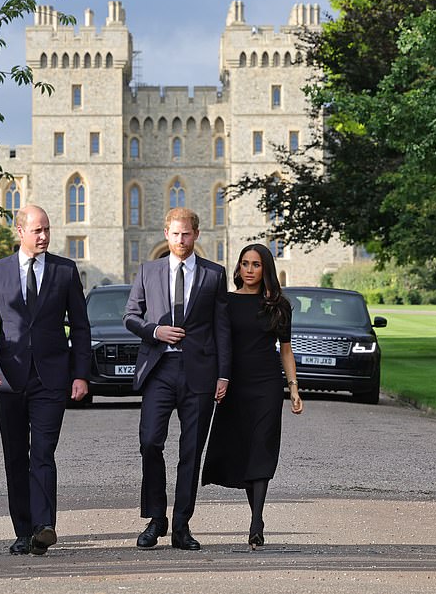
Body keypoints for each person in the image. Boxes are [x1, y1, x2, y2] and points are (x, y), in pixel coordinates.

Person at [0, 204, 91, 556]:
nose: (43, 236)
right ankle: (22, 531)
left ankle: (44, 526)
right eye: (37, 230)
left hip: (51, 378)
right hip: (8, 378)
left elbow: (81, 327)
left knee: (42, 451)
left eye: (47, 230)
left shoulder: (65, 271)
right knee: (15, 455)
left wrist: (80, 373)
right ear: (20, 232)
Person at [123, 207, 231, 551]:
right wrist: (155, 330)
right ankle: (157, 518)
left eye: (186, 234)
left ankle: (182, 525)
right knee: (151, 442)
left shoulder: (214, 274)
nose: (181, 240)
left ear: (196, 235)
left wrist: (224, 374)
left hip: (200, 373)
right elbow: (130, 316)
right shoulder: (148, 270)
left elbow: (222, 328)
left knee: (191, 451)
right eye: (175, 233)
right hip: (159, 370)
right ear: (165, 234)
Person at [202, 243, 304, 550]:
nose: (249, 269)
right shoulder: (226, 302)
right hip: (235, 385)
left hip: (267, 385)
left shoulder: (279, 305)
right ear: (238, 267)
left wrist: (294, 388)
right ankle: (255, 515)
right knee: (243, 448)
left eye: (256, 265)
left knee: (262, 446)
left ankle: (256, 520)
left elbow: (286, 350)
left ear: (265, 269)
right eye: (245, 263)